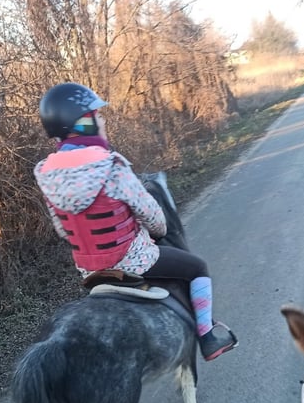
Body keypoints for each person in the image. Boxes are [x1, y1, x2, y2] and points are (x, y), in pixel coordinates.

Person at [34, 82, 237, 361]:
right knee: (197, 267)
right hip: (133, 260)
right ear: (83, 123)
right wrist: (157, 231)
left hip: (90, 271)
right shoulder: (111, 165)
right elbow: (152, 215)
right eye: (97, 116)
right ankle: (207, 336)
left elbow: (62, 230)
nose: (102, 121)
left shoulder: (46, 173)